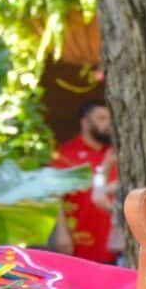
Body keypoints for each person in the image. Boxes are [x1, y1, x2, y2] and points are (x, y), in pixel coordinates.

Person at [50, 102, 121, 263]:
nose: (107, 124)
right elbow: (54, 196)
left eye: (110, 119)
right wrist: (61, 233)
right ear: (85, 122)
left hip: (115, 241)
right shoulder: (65, 154)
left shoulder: (115, 153)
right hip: (79, 237)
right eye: (102, 118)